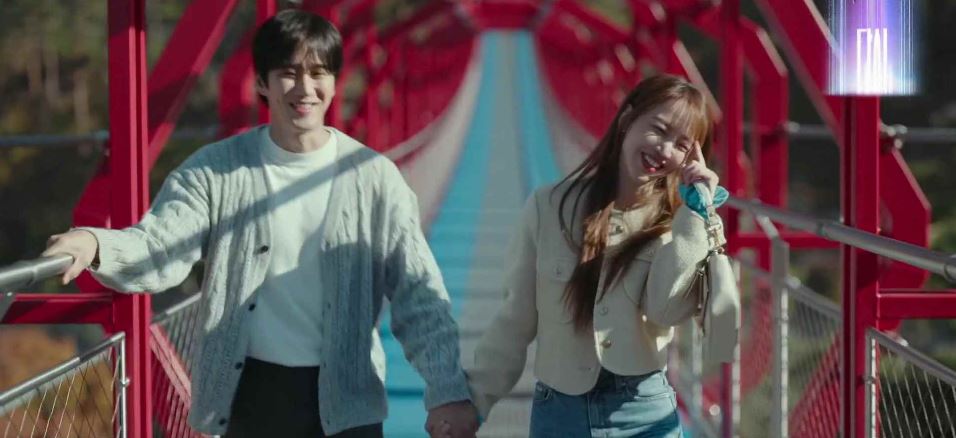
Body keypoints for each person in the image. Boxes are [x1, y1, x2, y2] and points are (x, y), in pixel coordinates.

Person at [43, 9, 478, 438]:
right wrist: (95, 244)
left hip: (348, 399)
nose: (304, 88)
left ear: (334, 82)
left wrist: (448, 391)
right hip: (251, 400)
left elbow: (418, 293)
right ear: (262, 83)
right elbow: (161, 246)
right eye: (288, 73)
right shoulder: (216, 171)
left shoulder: (374, 178)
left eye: (319, 73)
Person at [460, 74, 731, 437]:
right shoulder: (549, 206)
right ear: (627, 120)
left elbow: (667, 310)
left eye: (682, 145)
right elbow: (515, 318)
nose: (666, 150)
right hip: (560, 416)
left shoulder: (680, 225)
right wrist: (474, 402)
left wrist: (697, 212)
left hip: (645, 413)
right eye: (659, 130)